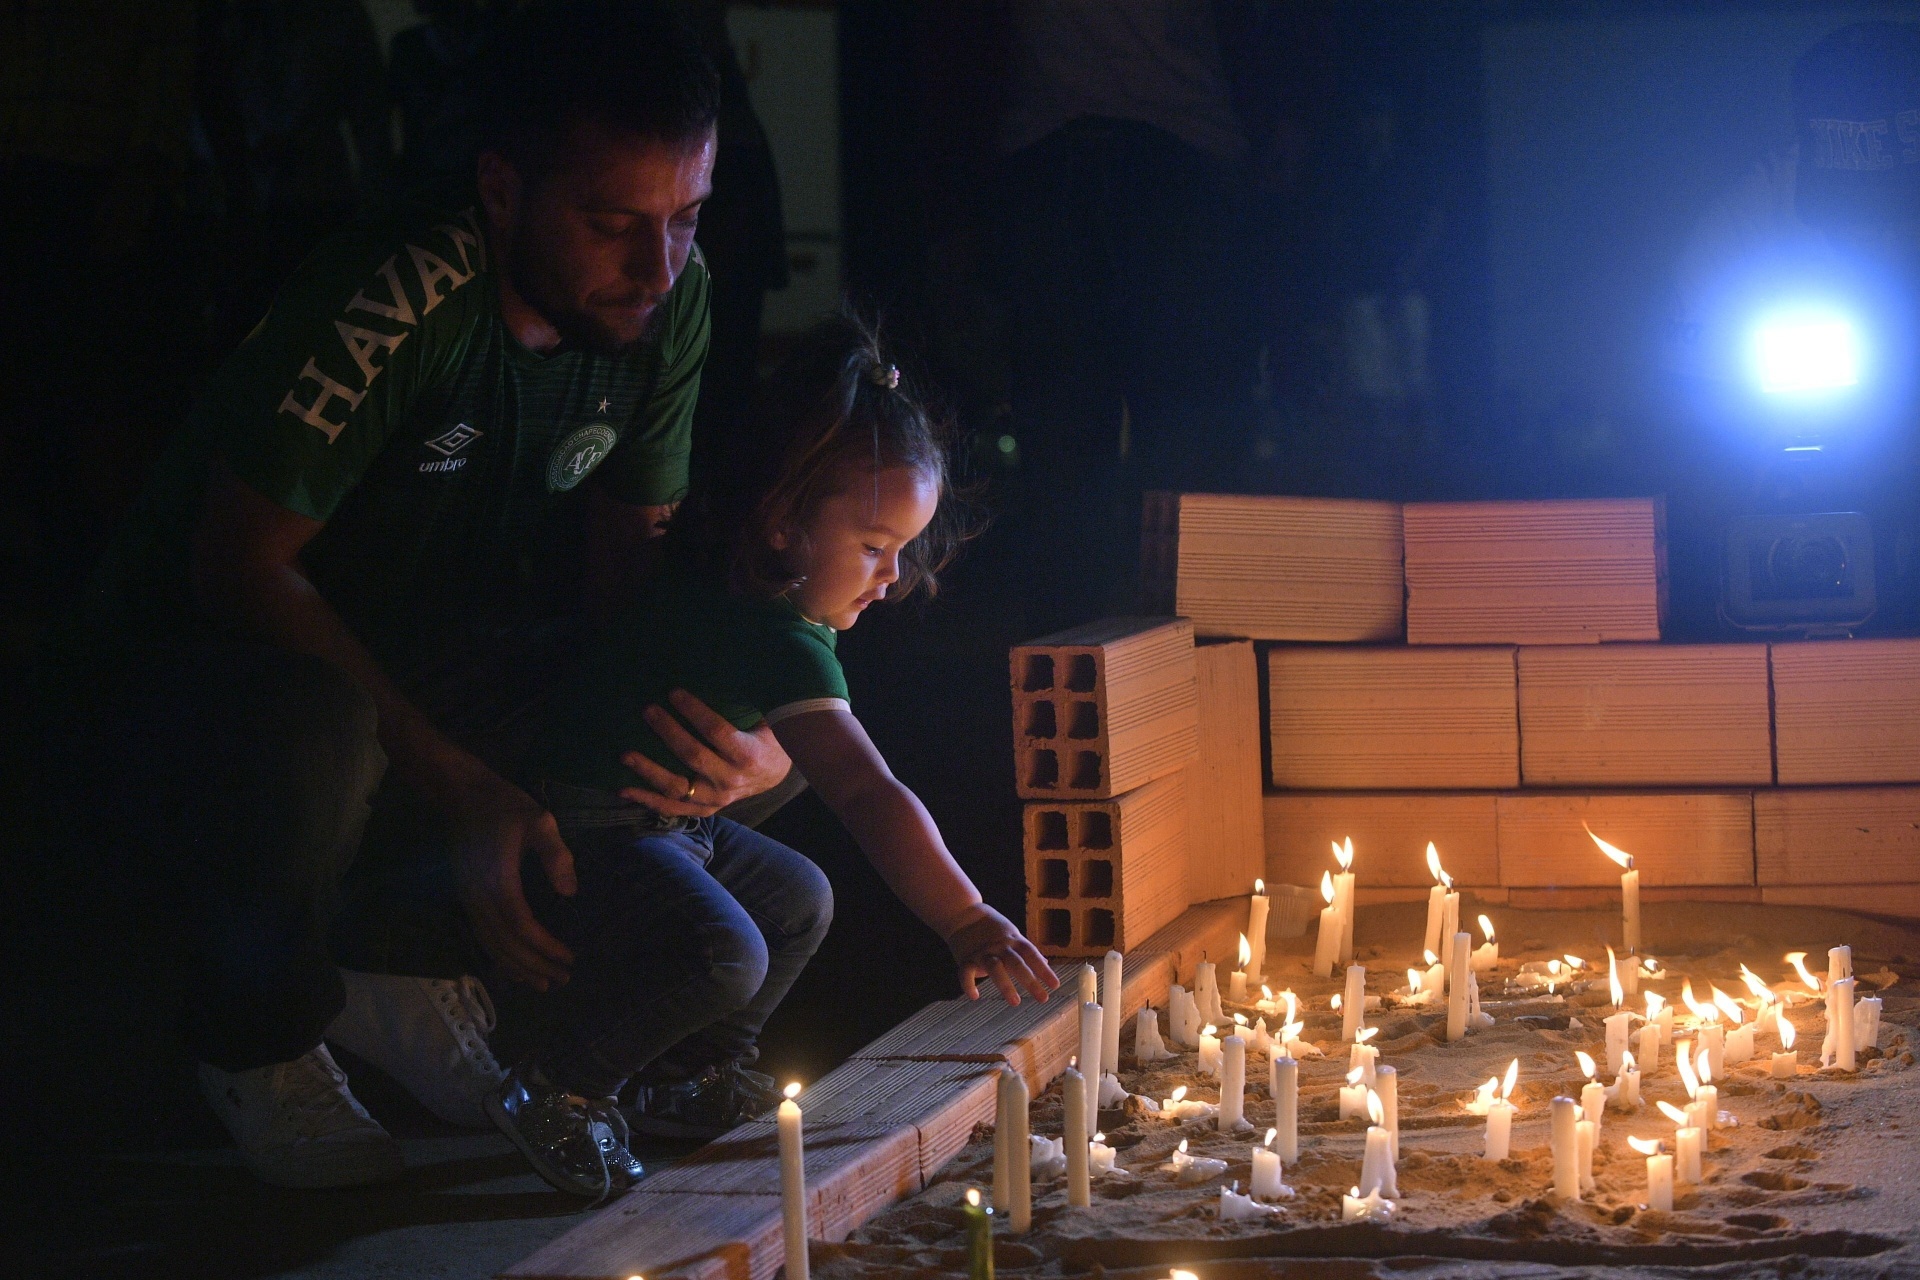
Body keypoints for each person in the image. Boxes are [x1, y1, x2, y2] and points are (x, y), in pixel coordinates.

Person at [40, 0, 793, 1191]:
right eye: (610, 222)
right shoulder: (402, 294)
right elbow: (237, 567)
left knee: (695, 733)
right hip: (195, 675)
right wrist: (460, 783)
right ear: (502, 189)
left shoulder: (670, 295)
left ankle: (403, 973)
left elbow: (628, 585)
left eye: (686, 219)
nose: (656, 266)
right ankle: (261, 1037)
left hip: (420, 641)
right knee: (317, 730)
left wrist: (738, 731)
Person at [492, 313, 1058, 1197]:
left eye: (905, 550)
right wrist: (965, 916)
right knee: (729, 952)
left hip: (674, 821)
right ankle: (558, 1086)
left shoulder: (729, 583)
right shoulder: (780, 634)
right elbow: (867, 789)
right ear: (786, 523)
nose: (895, 576)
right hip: (603, 830)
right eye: (875, 548)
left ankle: (691, 1076)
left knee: (800, 895)